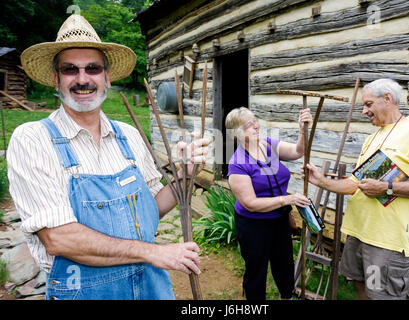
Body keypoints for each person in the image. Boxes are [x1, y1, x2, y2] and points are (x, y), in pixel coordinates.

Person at [7, 14, 209, 300]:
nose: (82, 79)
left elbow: (151, 209)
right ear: (55, 79)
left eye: (93, 68)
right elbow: (58, 238)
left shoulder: (129, 135)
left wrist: (185, 173)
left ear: (107, 77)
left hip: (150, 289)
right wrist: (154, 252)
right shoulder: (33, 140)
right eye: (69, 70)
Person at [303, 78, 409, 300]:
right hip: (358, 234)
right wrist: (322, 181)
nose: (364, 111)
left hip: (385, 243)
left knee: (379, 295)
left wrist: (386, 187)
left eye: (368, 104)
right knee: (361, 286)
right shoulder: (372, 138)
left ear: (387, 98)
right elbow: (355, 185)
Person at [225, 107, 312, 300]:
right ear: (237, 133)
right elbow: (250, 203)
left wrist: (302, 129)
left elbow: (299, 151)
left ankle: (286, 297)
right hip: (253, 225)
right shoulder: (237, 163)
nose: (256, 126)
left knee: (284, 266)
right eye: (249, 125)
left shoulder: (269, 146)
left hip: (279, 220)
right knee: (256, 271)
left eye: (255, 121)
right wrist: (287, 199)